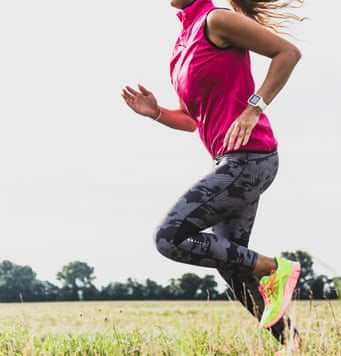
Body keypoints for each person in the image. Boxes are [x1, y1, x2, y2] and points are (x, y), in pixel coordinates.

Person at [122, 0, 304, 348]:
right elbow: (192, 121)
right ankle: (293, 343)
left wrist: (254, 109)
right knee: (232, 265)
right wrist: (156, 112)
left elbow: (288, 53)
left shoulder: (216, 20)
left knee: (169, 236)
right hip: (229, 161)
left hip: (251, 157)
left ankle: (274, 269)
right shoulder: (182, 42)